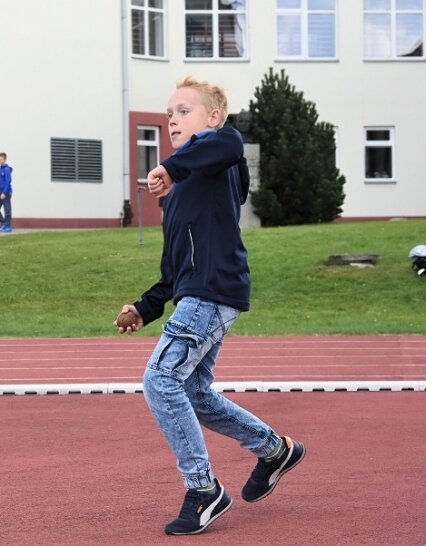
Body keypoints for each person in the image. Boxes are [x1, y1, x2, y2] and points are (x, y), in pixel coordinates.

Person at [115, 76, 305, 536]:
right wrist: (145, 306)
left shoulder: (221, 158)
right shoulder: (177, 193)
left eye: (184, 111)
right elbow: (174, 268)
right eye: (169, 114)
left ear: (213, 118)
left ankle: (203, 490)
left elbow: (227, 145)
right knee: (194, 394)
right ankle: (274, 449)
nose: (173, 120)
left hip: (213, 292)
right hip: (198, 293)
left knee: (161, 379)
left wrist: (175, 168)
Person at [0, 152, 13, 232]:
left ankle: (7, 226)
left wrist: (4, 193)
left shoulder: (7, 169)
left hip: (6, 192)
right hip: (0, 192)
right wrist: (0, 192)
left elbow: (8, 181)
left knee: (7, 209)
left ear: (4, 159)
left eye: (0, 159)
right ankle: (3, 223)